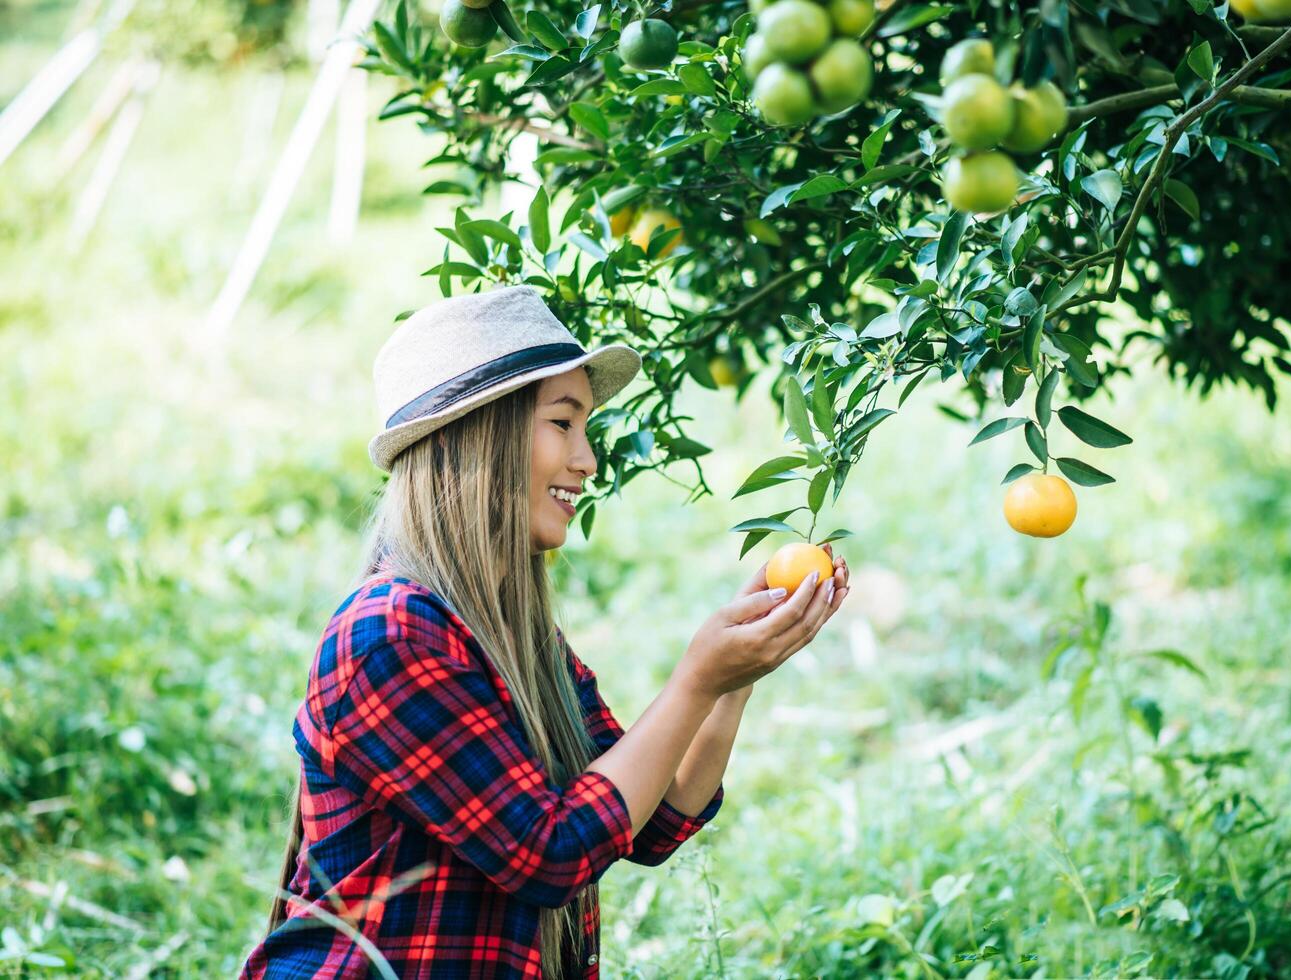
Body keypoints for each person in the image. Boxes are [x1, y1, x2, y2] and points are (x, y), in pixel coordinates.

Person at [238, 284, 851, 978]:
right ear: (479, 436)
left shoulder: (507, 633)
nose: (587, 460)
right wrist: (695, 679)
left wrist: (731, 684)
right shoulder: (389, 636)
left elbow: (647, 823)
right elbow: (551, 856)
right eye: (563, 424)